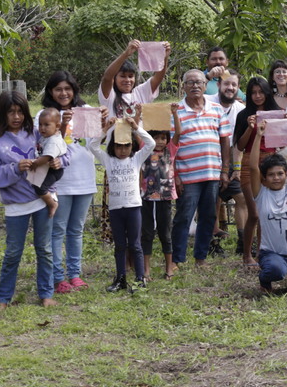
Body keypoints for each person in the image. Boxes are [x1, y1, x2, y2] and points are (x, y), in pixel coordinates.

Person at [0, 90, 62, 308]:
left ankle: (46, 294)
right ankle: (3, 298)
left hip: (41, 201)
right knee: (13, 252)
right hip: (15, 205)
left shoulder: (37, 132)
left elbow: (60, 147)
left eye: (19, 112)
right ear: (2, 113)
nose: (16, 117)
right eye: (10, 112)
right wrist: (14, 168)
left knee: (44, 249)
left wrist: (58, 162)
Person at [97, 40, 170, 244]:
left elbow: (158, 76)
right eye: (123, 76)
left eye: (131, 76)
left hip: (141, 155)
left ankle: (141, 247)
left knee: (141, 204)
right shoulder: (109, 96)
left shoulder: (140, 93)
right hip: (118, 158)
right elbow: (106, 76)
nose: (127, 80)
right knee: (120, 206)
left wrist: (164, 56)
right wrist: (126, 53)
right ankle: (121, 248)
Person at [171, 69, 234, 269]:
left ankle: (201, 258)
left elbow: (225, 141)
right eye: (190, 82)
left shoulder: (217, 109)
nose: (195, 86)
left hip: (212, 174)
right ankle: (178, 260)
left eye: (198, 82)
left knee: (208, 216)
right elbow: (170, 147)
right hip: (187, 175)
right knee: (183, 217)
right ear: (183, 86)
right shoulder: (175, 112)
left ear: (206, 86)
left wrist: (225, 170)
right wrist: (175, 176)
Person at [41, 70, 96, 295]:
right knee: (57, 230)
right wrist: (63, 125)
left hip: (85, 178)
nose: (64, 93)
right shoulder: (45, 115)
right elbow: (50, 144)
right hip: (60, 183)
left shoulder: (86, 112)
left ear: (74, 90)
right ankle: (57, 277)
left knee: (76, 230)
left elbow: (94, 143)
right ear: (51, 92)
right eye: (58, 89)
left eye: (67, 88)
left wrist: (105, 122)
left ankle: (75, 274)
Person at [89, 113, 156, 292]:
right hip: (116, 208)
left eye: (126, 146)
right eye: (119, 146)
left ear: (131, 146)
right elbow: (92, 145)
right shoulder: (108, 161)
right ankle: (120, 279)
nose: (122, 150)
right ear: (113, 147)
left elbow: (151, 143)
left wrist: (136, 127)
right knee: (119, 245)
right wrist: (105, 129)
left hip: (133, 207)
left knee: (135, 244)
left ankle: (140, 279)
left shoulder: (135, 160)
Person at [247, 120, 287, 295]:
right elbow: (253, 167)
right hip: (271, 252)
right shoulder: (261, 194)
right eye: (271, 175)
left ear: (285, 174)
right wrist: (258, 135)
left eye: (280, 173)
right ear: (265, 178)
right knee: (276, 270)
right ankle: (265, 278)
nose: (276, 178)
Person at [234, 76, 282, 266]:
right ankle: (247, 255)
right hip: (249, 162)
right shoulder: (244, 114)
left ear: (267, 92)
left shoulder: (276, 113)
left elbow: (281, 143)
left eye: (261, 92)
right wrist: (250, 126)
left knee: (266, 213)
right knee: (254, 213)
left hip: (271, 163)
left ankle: (263, 253)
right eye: (253, 92)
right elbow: (240, 145)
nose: (257, 96)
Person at [141, 103, 181, 280]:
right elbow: (137, 135)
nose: (160, 141)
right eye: (156, 138)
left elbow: (178, 133)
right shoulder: (144, 150)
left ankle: (169, 268)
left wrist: (174, 114)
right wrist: (137, 115)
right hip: (146, 196)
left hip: (165, 196)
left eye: (163, 138)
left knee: (166, 232)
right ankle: (146, 269)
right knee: (147, 232)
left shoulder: (170, 151)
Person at [210, 70, 246, 251]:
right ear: (218, 85)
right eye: (226, 84)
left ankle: (243, 241)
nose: (230, 88)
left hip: (231, 157)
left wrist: (236, 167)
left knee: (241, 198)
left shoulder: (241, 110)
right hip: (208, 157)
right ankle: (211, 241)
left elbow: (239, 142)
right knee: (209, 199)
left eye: (234, 85)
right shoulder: (207, 103)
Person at [29, 107, 66, 217]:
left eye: (46, 125)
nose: (42, 128)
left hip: (54, 171)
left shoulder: (53, 141)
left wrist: (35, 163)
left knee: (39, 187)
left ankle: (52, 204)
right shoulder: (47, 136)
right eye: (40, 125)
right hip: (49, 169)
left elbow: (46, 157)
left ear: (57, 126)